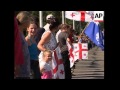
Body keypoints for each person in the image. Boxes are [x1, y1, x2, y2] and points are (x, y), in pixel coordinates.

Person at [15, 11, 31, 79]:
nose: (30, 22)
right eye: (29, 20)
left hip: (25, 70)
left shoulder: (21, 33)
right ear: (25, 21)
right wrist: (16, 65)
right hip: (20, 70)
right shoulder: (17, 33)